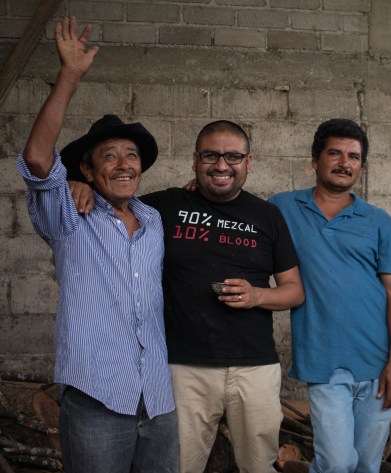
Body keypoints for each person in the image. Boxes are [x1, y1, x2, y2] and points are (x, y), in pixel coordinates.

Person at [72, 119, 305, 473]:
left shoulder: (268, 216)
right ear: (195, 160)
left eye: (233, 157)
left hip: (255, 368)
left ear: (249, 162)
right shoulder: (162, 207)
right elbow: (113, 200)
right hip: (182, 368)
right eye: (211, 155)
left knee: (260, 467)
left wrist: (257, 295)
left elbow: (294, 291)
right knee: (179, 466)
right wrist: (79, 184)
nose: (222, 165)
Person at [17, 17, 178, 473]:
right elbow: (35, 160)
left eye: (132, 156)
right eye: (109, 156)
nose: (124, 164)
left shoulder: (153, 220)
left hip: (158, 398)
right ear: (86, 172)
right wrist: (69, 74)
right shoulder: (71, 218)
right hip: (96, 397)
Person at [268, 119, 391, 473]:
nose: (345, 162)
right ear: (315, 160)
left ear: (361, 166)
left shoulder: (377, 220)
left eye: (354, 156)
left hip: (378, 360)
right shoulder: (282, 208)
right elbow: (236, 210)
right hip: (323, 357)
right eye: (335, 153)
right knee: (336, 463)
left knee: (366, 464)